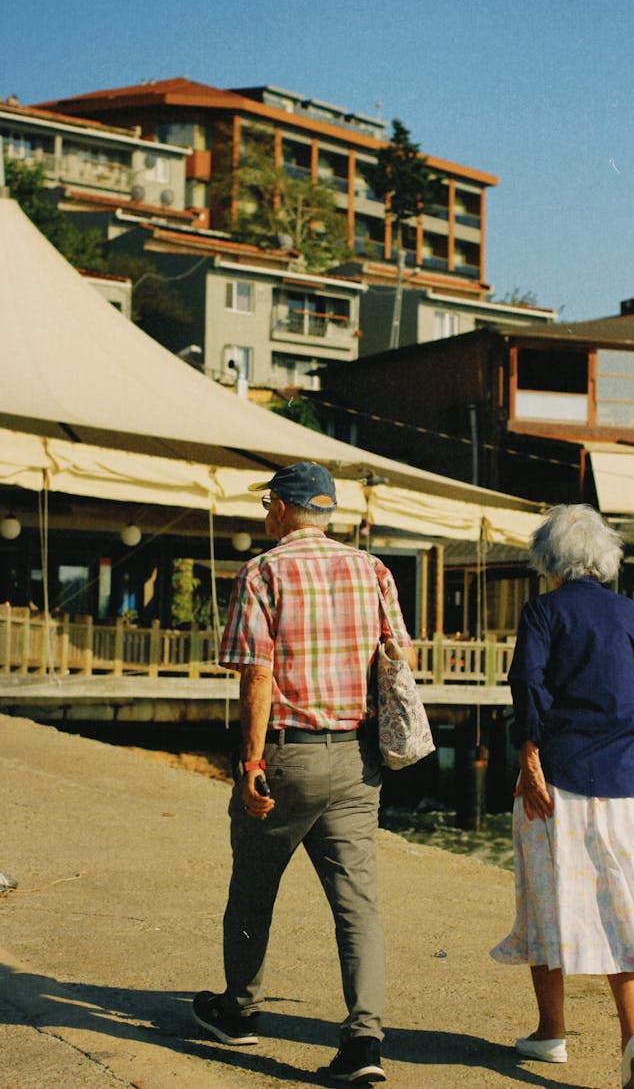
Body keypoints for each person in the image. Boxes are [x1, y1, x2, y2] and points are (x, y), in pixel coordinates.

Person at [192, 461, 414, 1085]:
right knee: (357, 903)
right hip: (356, 758)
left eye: (268, 505)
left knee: (254, 887)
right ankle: (365, 1041)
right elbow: (401, 654)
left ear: (286, 509)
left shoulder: (263, 571)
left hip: (288, 755)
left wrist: (252, 762)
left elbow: (257, 673)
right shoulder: (371, 569)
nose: (265, 515)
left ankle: (239, 1011)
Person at [490, 504, 634, 1089]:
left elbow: (528, 688)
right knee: (623, 906)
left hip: (558, 777)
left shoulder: (542, 611)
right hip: (627, 781)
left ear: (548, 559)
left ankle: (551, 1032)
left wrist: (528, 756)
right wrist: (631, 753)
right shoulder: (630, 615)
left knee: (544, 899)